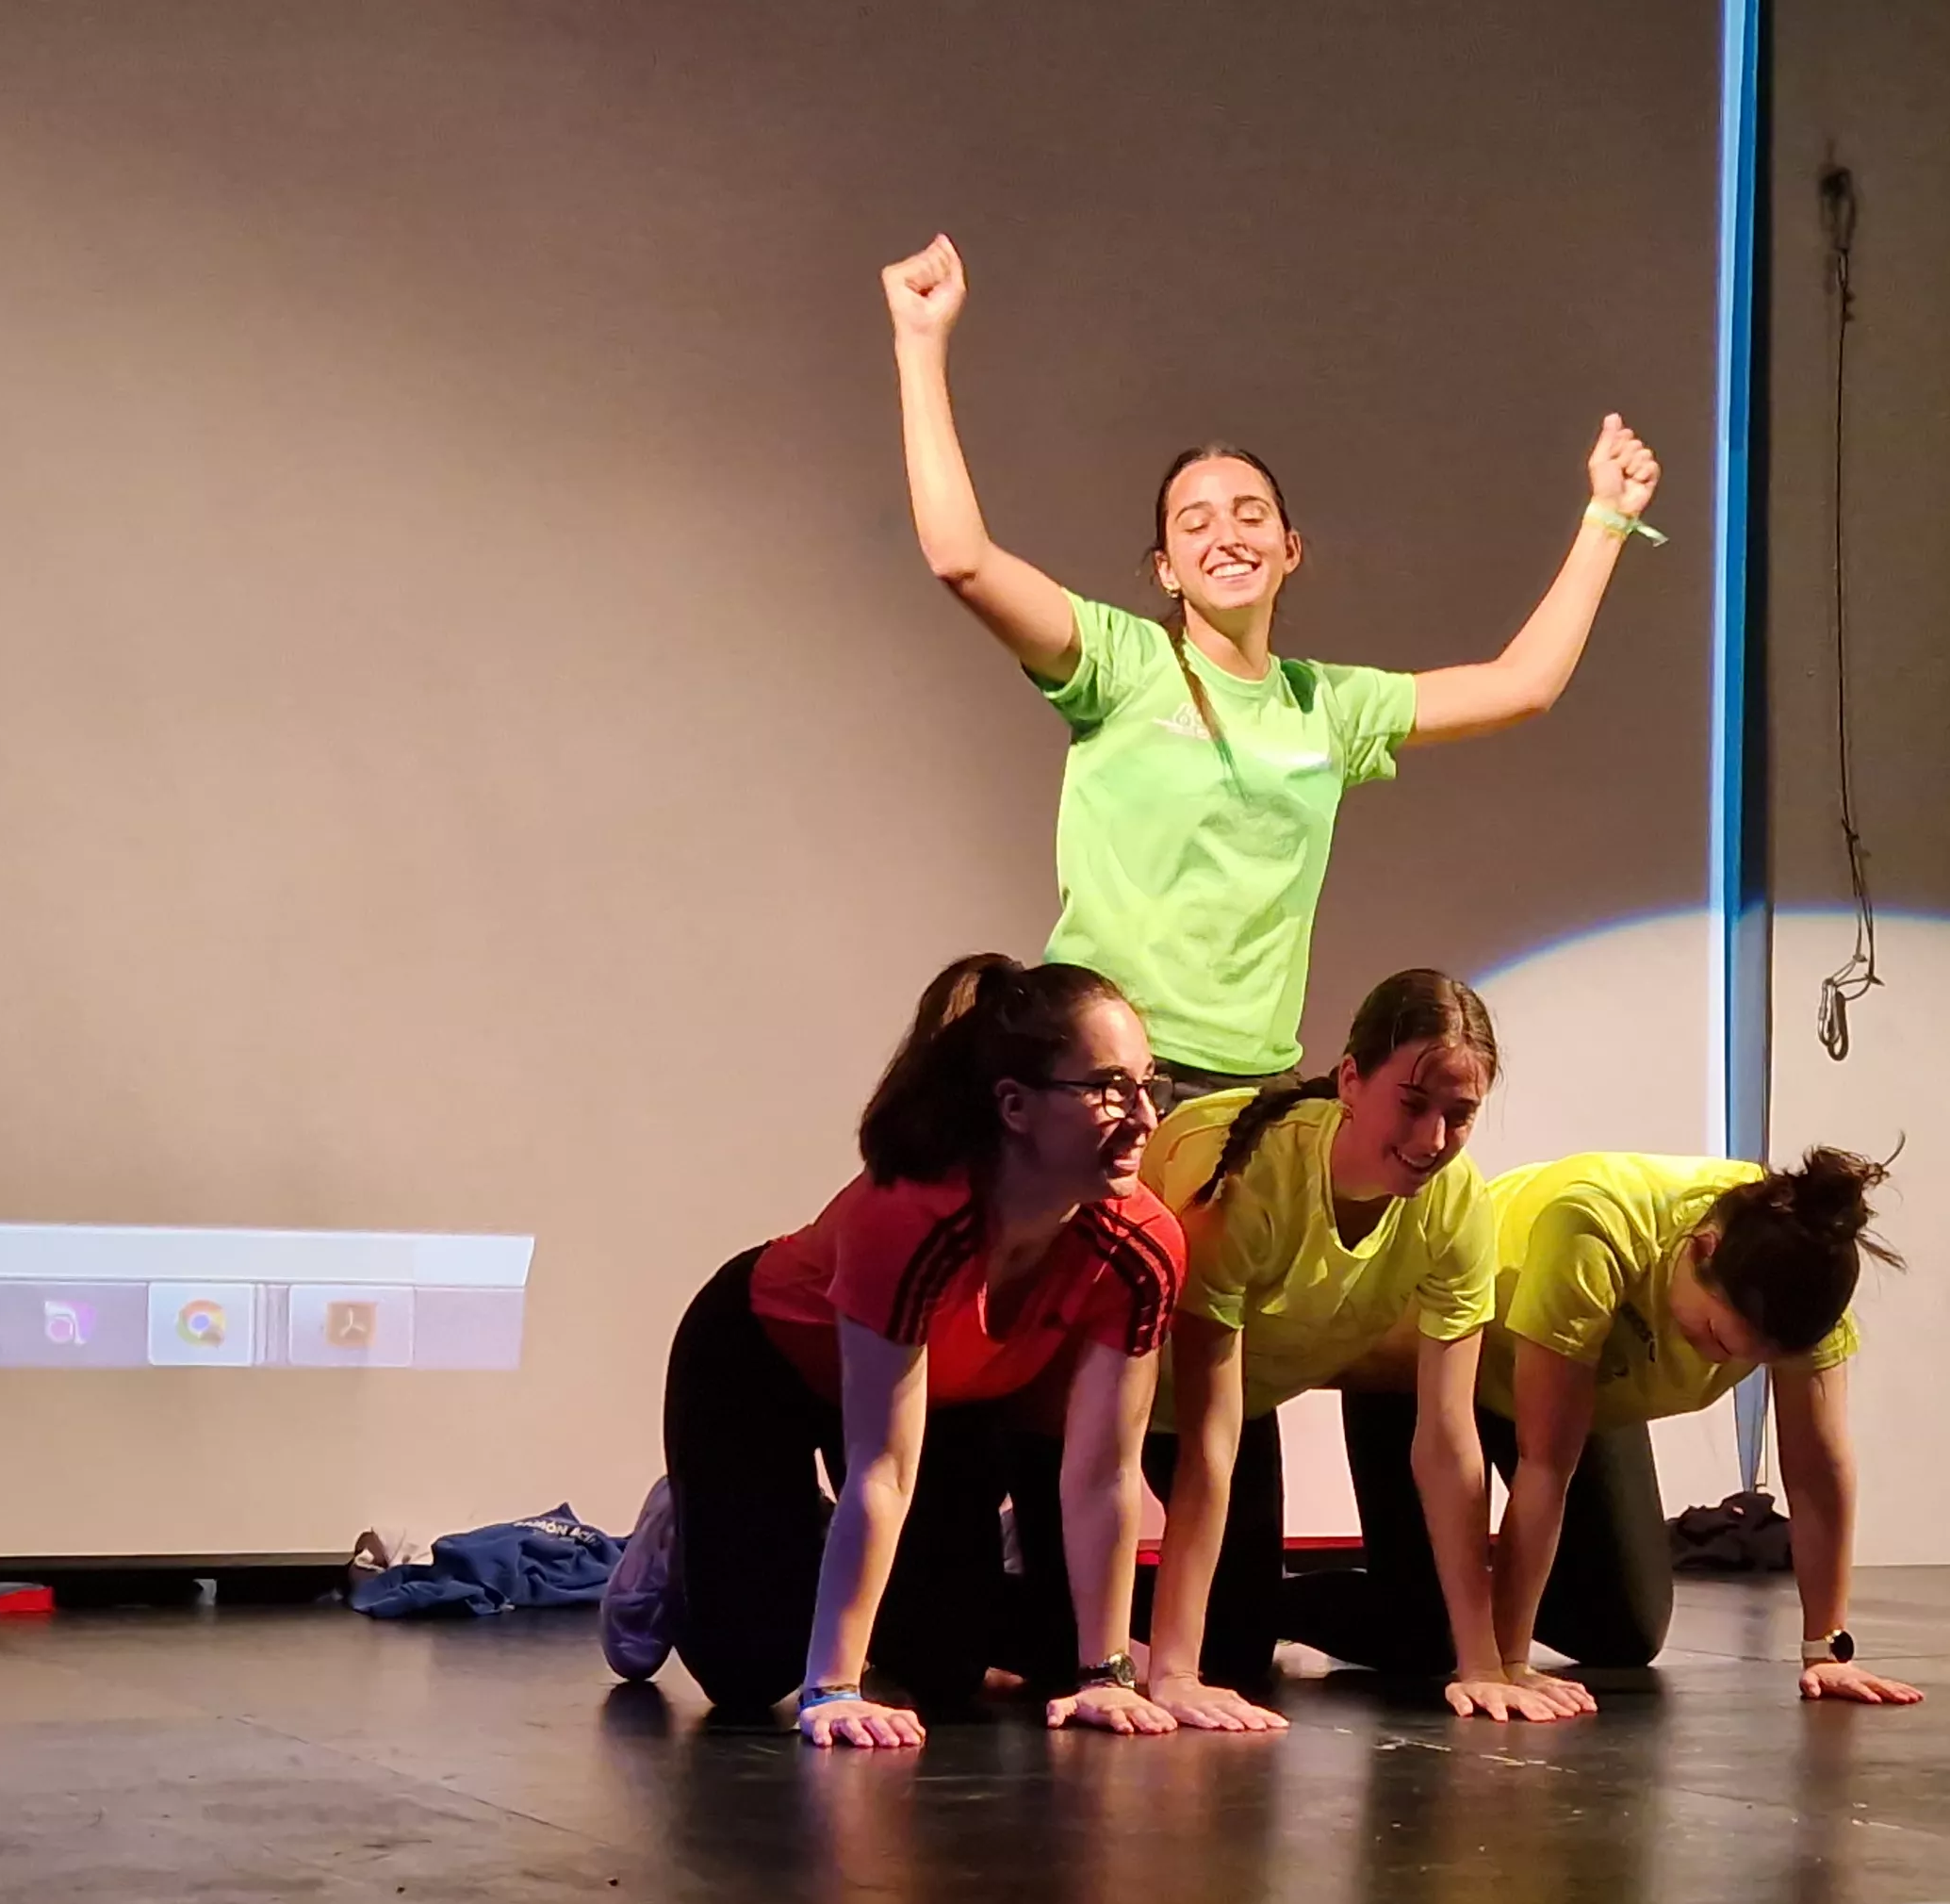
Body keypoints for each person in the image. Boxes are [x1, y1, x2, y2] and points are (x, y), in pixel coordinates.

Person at [884, 231, 1667, 1099]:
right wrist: (921, 346)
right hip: (1103, 1074)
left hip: (1255, 1090)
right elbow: (962, 558)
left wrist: (1608, 519)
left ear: (1289, 549)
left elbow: (1522, 686)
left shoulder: (1325, 706)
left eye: (1251, 513)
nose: (1227, 534)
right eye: (1196, 522)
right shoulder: (1122, 660)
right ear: (1166, 570)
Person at [654, 953, 1190, 1747]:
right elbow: (883, 1468)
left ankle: (787, 1538)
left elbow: (1104, 1469)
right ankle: (685, 1532)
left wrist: (1103, 1675)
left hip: (940, 1397)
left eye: (1151, 1084)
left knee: (942, 1667)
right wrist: (833, 1690)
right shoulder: (910, 1220)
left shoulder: (1141, 1247)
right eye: (1110, 1088)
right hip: (763, 1363)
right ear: (1015, 1106)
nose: (1145, 1118)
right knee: (750, 1675)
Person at [1281, 1147, 1925, 1709]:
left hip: (1586, 1380)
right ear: (1700, 1249)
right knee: (1427, 1637)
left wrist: (1826, 1651)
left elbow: (1816, 1474)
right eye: (1718, 1340)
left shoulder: (1804, 1272)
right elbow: (1544, 1464)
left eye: (1760, 1359)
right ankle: (1260, 1605)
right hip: (1435, 1357)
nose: (1728, 1365)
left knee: (1622, 1632)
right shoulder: (1597, 1228)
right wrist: (1507, 1666)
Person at [1136, 970, 1582, 1729]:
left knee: (1255, 1643)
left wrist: (1485, 1665)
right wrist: (1172, 1672)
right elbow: (1207, 1437)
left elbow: (1447, 1439)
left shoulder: (1456, 1202)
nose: (1432, 1140)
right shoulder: (1248, 1179)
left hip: (1247, 1397)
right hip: (1121, 1401)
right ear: (1350, 1078)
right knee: (1206, 1653)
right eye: (1412, 1105)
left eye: (1460, 1115)